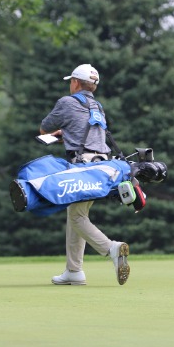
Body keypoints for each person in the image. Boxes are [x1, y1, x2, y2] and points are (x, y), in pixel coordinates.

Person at [40, 63, 130, 286]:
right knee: (76, 213)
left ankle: (111, 248)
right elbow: (87, 132)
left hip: (83, 166)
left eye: (71, 81)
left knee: (77, 216)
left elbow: (44, 128)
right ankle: (74, 271)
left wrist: (58, 135)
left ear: (75, 83)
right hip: (102, 167)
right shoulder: (97, 106)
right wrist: (68, 134)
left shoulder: (67, 102)